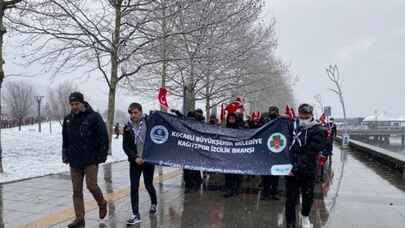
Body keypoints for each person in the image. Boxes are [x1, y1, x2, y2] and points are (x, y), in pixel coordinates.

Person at [62, 92, 108, 228]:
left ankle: (102, 203)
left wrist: (102, 155)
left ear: (83, 102)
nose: (74, 107)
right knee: (76, 191)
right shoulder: (68, 119)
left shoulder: (94, 117)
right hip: (74, 160)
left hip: (91, 159)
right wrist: (65, 154)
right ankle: (79, 218)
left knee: (91, 185)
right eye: (72, 104)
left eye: (76, 104)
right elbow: (65, 139)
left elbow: (103, 137)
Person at [285, 103, 326, 228]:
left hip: (307, 169)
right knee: (291, 199)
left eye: (306, 113)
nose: (304, 116)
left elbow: (311, 152)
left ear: (311, 114)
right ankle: (290, 223)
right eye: (302, 113)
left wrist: (297, 166)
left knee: (307, 197)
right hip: (291, 170)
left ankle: (305, 216)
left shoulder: (318, 129)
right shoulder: (292, 126)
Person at [123, 103, 158, 224]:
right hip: (135, 162)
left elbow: (155, 139)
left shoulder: (149, 123)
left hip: (147, 160)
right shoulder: (128, 127)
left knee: (148, 184)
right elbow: (126, 146)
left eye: (135, 112)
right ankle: (135, 214)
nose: (133, 115)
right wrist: (135, 157)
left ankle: (154, 203)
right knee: (134, 187)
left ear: (141, 112)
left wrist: (148, 156)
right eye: (131, 113)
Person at [261, 106, 281, 200]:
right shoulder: (264, 120)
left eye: (274, 111)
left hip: (276, 150)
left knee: (275, 175)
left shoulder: (281, 121)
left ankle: (274, 192)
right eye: (271, 111)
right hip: (265, 151)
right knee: (265, 175)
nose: (273, 112)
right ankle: (265, 193)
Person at [183, 109, 204, 192]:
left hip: (194, 149)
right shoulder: (186, 124)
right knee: (189, 168)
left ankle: (192, 183)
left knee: (192, 168)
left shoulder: (199, 123)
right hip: (188, 149)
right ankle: (190, 183)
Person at [223, 112, 243, 198]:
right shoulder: (225, 129)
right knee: (228, 173)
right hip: (227, 154)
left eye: (233, 118)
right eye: (230, 118)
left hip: (237, 154)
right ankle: (229, 189)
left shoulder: (240, 129)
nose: (231, 120)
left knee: (236, 173)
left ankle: (236, 188)